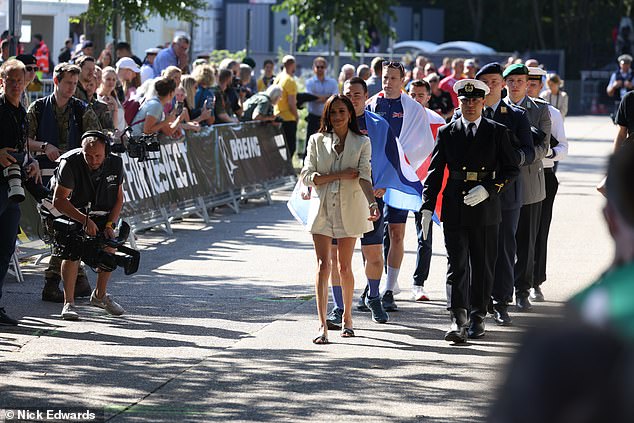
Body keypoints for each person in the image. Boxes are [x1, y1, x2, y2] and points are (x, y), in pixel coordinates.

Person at [421, 79, 519, 342]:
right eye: (465, 100)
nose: (470, 105)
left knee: (483, 264)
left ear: (483, 101)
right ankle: (458, 319)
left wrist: (490, 188)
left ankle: (478, 316)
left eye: (475, 100)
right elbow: (434, 172)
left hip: (486, 207)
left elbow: (511, 169)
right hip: (455, 205)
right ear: (459, 102)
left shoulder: (497, 132)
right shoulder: (447, 132)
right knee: (457, 264)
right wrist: (427, 208)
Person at [300, 94, 380, 344]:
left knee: (344, 266)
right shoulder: (316, 140)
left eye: (341, 112)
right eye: (332, 112)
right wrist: (339, 175)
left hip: (350, 207)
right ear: (327, 115)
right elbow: (307, 175)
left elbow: (364, 176)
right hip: (322, 207)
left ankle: (348, 319)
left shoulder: (362, 142)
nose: (337, 117)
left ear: (350, 114)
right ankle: (322, 325)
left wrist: (372, 202)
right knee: (324, 265)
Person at [27, 63, 101, 303]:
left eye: (74, 83)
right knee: (61, 227)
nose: (71, 88)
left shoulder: (81, 110)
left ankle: (74, 280)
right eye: (68, 83)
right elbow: (22, 139)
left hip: (73, 181)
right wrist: (43, 146)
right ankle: (58, 282)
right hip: (43, 179)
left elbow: (95, 140)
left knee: (69, 228)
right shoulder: (38, 108)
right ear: (57, 82)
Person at [365, 61, 433, 312]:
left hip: (399, 181)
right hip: (371, 183)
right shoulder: (371, 104)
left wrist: (392, 176)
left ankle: (389, 289)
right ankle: (371, 285)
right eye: (385, 77)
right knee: (369, 236)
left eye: (394, 78)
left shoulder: (414, 109)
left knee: (396, 234)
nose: (388, 82)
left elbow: (422, 146)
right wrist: (375, 178)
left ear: (402, 80)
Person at [470, 63, 534, 326]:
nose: (493, 85)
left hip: (506, 192)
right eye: (488, 82)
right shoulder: (470, 113)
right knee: (479, 248)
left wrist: (512, 158)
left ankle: (501, 302)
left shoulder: (517, 116)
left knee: (505, 248)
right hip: (476, 192)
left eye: (497, 81)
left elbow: (529, 152)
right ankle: (479, 301)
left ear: (503, 84)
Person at [52, 131, 125, 320]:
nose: (93, 160)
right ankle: (69, 303)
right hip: (73, 212)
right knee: (72, 251)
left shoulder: (115, 163)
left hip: (102, 213)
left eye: (98, 156)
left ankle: (100, 296)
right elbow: (59, 201)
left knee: (110, 247)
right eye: (88, 156)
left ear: (106, 152)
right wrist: (83, 219)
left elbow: (119, 199)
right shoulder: (71, 163)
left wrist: (110, 224)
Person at [503, 63, 551, 311]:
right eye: (510, 81)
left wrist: (520, 157)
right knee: (502, 240)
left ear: (527, 82)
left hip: (530, 181)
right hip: (501, 184)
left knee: (526, 240)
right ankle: (501, 291)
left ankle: (522, 289)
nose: (515, 85)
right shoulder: (496, 108)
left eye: (520, 80)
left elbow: (544, 147)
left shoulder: (540, 109)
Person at [0, 59, 41, 325]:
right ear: (2, 81)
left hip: (12, 189)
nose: (16, 85)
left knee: (5, 250)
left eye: (20, 80)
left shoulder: (22, 111)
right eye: (11, 80)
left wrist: (31, 160)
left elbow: (20, 145)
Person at [527, 67, 568, 302]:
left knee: (540, 229)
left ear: (541, 84)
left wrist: (546, 152)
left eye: (534, 83)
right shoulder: (509, 110)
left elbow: (563, 148)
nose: (530, 86)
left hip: (544, 172)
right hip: (514, 176)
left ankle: (534, 281)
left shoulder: (551, 112)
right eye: (525, 82)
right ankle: (510, 280)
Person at [408, 79, 447, 301]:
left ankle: (418, 283)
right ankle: (388, 281)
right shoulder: (399, 117)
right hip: (400, 185)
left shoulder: (437, 121)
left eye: (420, 96)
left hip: (424, 187)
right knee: (391, 233)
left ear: (428, 97)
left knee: (425, 235)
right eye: (412, 95)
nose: (416, 100)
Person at [304, 57, 339, 157]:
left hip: (327, 117)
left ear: (325, 68)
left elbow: (335, 98)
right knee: (310, 141)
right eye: (317, 67)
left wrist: (317, 97)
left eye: (322, 67)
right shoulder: (309, 82)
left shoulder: (332, 82)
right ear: (314, 68)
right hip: (313, 116)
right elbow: (309, 97)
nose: (319, 69)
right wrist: (327, 98)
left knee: (328, 141)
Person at [273, 55, 299, 160]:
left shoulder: (278, 78)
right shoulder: (290, 81)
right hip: (288, 118)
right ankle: (285, 171)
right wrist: (296, 116)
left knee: (280, 148)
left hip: (277, 117)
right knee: (290, 148)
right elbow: (291, 103)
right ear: (292, 65)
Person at [97, 66, 125, 133]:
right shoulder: (98, 98)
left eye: (114, 79)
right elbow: (112, 127)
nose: (111, 82)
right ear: (101, 80)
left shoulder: (115, 97)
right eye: (108, 79)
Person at [607, 54, 634, 120]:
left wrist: (632, 86)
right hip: (618, 103)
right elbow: (609, 92)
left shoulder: (633, 75)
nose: (625, 66)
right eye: (623, 64)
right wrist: (614, 86)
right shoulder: (615, 75)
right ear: (620, 64)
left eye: (627, 64)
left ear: (630, 64)